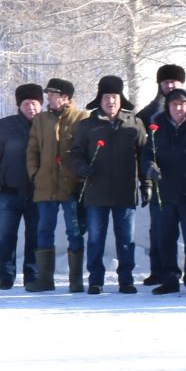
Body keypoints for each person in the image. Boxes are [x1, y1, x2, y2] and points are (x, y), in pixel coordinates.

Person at [69, 75, 150, 294]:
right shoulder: (87, 125)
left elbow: (145, 156)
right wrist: (82, 167)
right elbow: (75, 153)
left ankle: (126, 279)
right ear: (100, 99)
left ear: (120, 99)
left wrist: (146, 184)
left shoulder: (135, 123)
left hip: (125, 193)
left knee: (126, 240)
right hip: (96, 193)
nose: (111, 102)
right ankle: (96, 280)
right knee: (96, 238)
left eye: (114, 97)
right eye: (106, 97)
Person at [144, 87, 186, 294]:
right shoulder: (157, 126)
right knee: (165, 238)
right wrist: (149, 167)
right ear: (168, 107)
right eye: (174, 104)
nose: (179, 108)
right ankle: (169, 279)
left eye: (182, 104)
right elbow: (146, 153)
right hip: (163, 193)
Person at [24, 78, 87, 292]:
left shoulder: (81, 118)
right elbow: (32, 150)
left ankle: (75, 280)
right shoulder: (40, 120)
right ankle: (45, 279)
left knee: (74, 231)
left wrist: (81, 177)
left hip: (71, 186)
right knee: (44, 230)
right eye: (48, 93)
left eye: (52, 93)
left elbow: (85, 150)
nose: (47, 97)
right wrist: (35, 174)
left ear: (65, 97)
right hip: (45, 186)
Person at [137, 64, 186, 286]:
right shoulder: (148, 114)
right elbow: (141, 150)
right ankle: (158, 270)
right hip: (158, 179)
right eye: (165, 82)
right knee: (158, 228)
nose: (169, 85)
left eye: (174, 82)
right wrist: (145, 181)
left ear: (181, 84)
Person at [0, 84, 42, 289]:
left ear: (41, 104)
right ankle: (6, 277)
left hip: (38, 194)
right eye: (26, 103)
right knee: (5, 237)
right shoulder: (5, 126)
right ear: (19, 105)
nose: (31, 107)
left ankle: (33, 276)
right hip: (10, 193)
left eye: (35, 103)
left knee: (35, 238)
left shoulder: (46, 125)